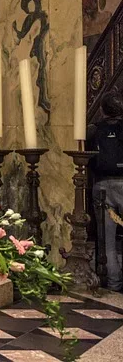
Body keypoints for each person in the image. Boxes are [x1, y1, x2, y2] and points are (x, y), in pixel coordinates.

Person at [90, 90, 123, 292]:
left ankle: (113, 286)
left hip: (102, 186)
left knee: (108, 242)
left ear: (102, 110)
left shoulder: (94, 130)